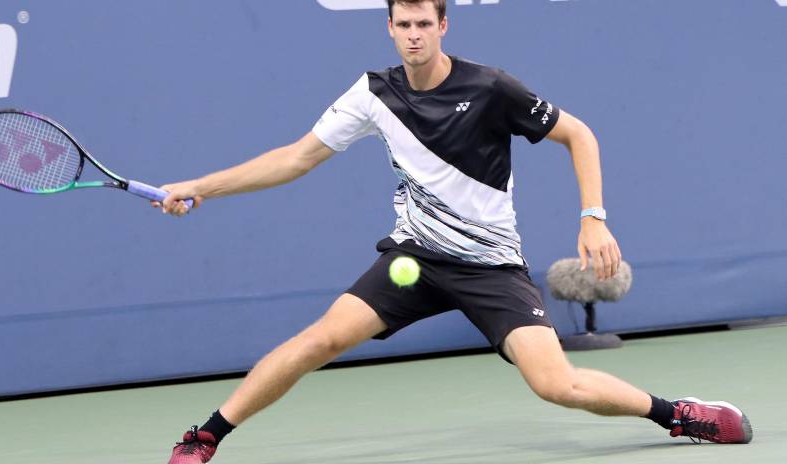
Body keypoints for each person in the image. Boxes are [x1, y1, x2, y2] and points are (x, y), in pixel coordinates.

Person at [159, 1, 752, 462]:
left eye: (424, 23)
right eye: (403, 25)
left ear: (443, 25)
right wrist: (200, 187)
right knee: (319, 341)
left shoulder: (490, 88)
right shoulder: (372, 94)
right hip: (413, 260)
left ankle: (676, 414)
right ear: (390, 29)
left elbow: (579, 134)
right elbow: (295, 158)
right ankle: (205, 437)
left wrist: (592, 217)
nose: (414, 35)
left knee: (556, 384)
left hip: (491, 267)